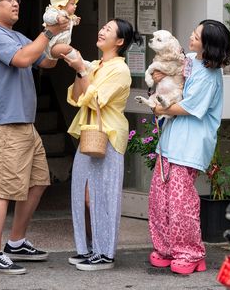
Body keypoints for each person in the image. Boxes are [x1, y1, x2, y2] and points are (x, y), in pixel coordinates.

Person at [0, 0, 69, 275]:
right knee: (2, 190)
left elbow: (46, 62)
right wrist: (47, 32)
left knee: (39, 181)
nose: (16, 2)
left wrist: (63, 33)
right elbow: (23, 60)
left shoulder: (16, 35)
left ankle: (15, 242)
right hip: (3, 125)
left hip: (24, 125)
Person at [147, 19, 230, 275]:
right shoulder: (192, 62)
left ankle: (191, 253)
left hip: (190, 145)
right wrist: (161, 74)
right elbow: (174, 73)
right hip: (171, 142)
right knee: (159, 198)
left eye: (196, 36)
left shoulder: (210, 75)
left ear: (208, 45)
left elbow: (190, 107)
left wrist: (160, 107)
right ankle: (166, 249)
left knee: (180, 202)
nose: (191, 37)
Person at [62, 18, 142, 271]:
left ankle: (105, 253)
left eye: (108, 29)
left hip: (107, 135)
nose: (102, 30)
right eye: (103, 27)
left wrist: (82, 71)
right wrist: (80, 70)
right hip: (89, 132)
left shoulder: (120, 70)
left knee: (102, 197)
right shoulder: (96, 64)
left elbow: (94, 99)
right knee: (83, 195)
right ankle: (89, 249)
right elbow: (76, 98)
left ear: (119, 41)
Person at [42, 0, 91, 70]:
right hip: (52, 46)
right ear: (61, 4)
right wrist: (57, 17)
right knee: (68, 49)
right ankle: (84, 65)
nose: (75, 6)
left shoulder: (69, 16)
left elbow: (70, 22)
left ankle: (82, 63)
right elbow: (46, 17)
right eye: (72, 4)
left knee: (73, 51)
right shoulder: (55, 12)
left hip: (60, 45)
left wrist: (75, 21)